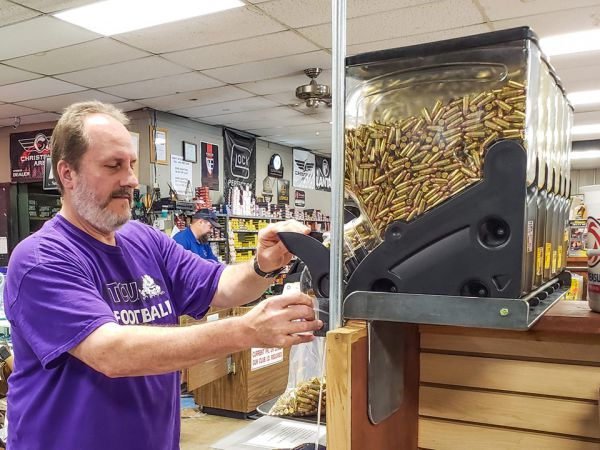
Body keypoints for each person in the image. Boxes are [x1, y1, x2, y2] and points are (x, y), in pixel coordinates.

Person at [3, 101, 322, 450]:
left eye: (131, 164)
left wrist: (263, 264)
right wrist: (246, 331)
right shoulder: (42, 259)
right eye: (113, 165)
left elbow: (220, 286)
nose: (131, 180)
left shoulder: (144, 239)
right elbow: (110, 353)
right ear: (68, 174)